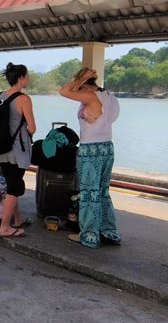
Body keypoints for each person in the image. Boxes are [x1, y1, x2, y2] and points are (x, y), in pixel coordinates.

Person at [60, 67, 121, 248]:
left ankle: (89, 236)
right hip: (107, 147)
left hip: (91, 149)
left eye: (80, 87)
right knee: (102, 192)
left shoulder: (90, 96)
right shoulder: (110, 98)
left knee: (88, 193)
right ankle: (108, 231)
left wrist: (79, 78)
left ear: (85, 85)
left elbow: (64, 91)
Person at [0, 63, 36, 238]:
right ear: (21, 78)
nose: (28, 79)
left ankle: (17, 220)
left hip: (1, 148)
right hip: (17, 150)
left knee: (12, 183)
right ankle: (4, 227)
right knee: (14, 188)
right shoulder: (24, 99)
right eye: (27, 76)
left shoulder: (0, 95)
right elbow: (32, 127)